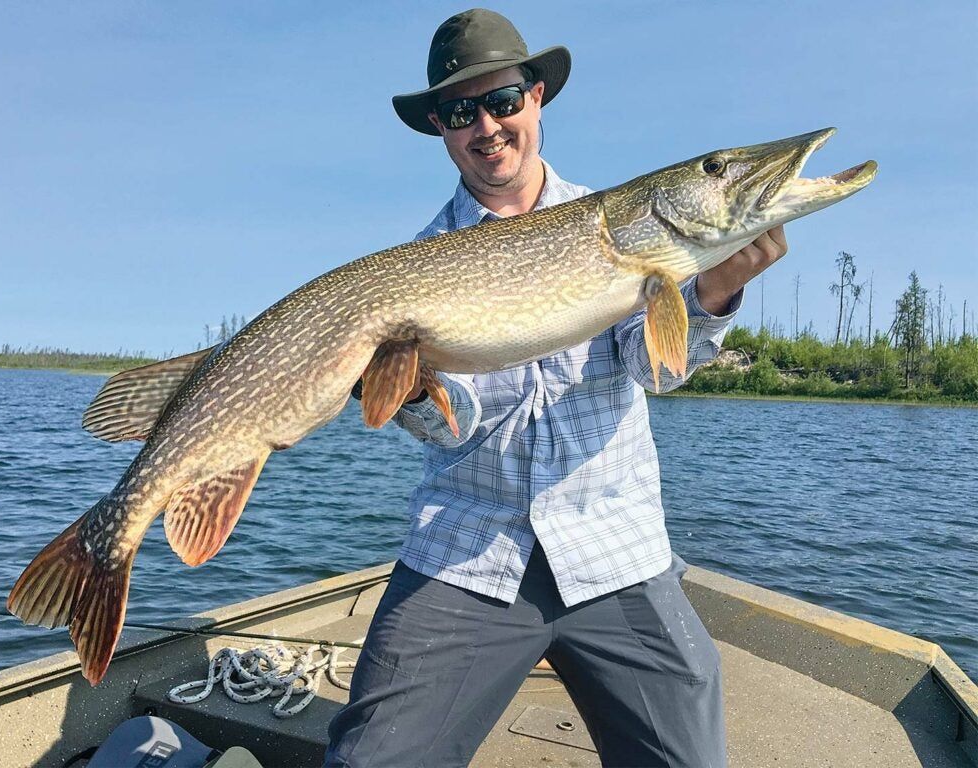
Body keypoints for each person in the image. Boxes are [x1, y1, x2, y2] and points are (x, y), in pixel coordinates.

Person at [326, 9, 787, 767]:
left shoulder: (615, 223)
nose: (487, 126)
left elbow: (654, 371)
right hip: (469, 548)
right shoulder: (417, 264)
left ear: (536, 97)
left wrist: (710, 297)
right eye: (460, 111)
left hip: (614, 545)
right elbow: (454, 425)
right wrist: (407, 392)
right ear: (440, 128)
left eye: (503, 101)